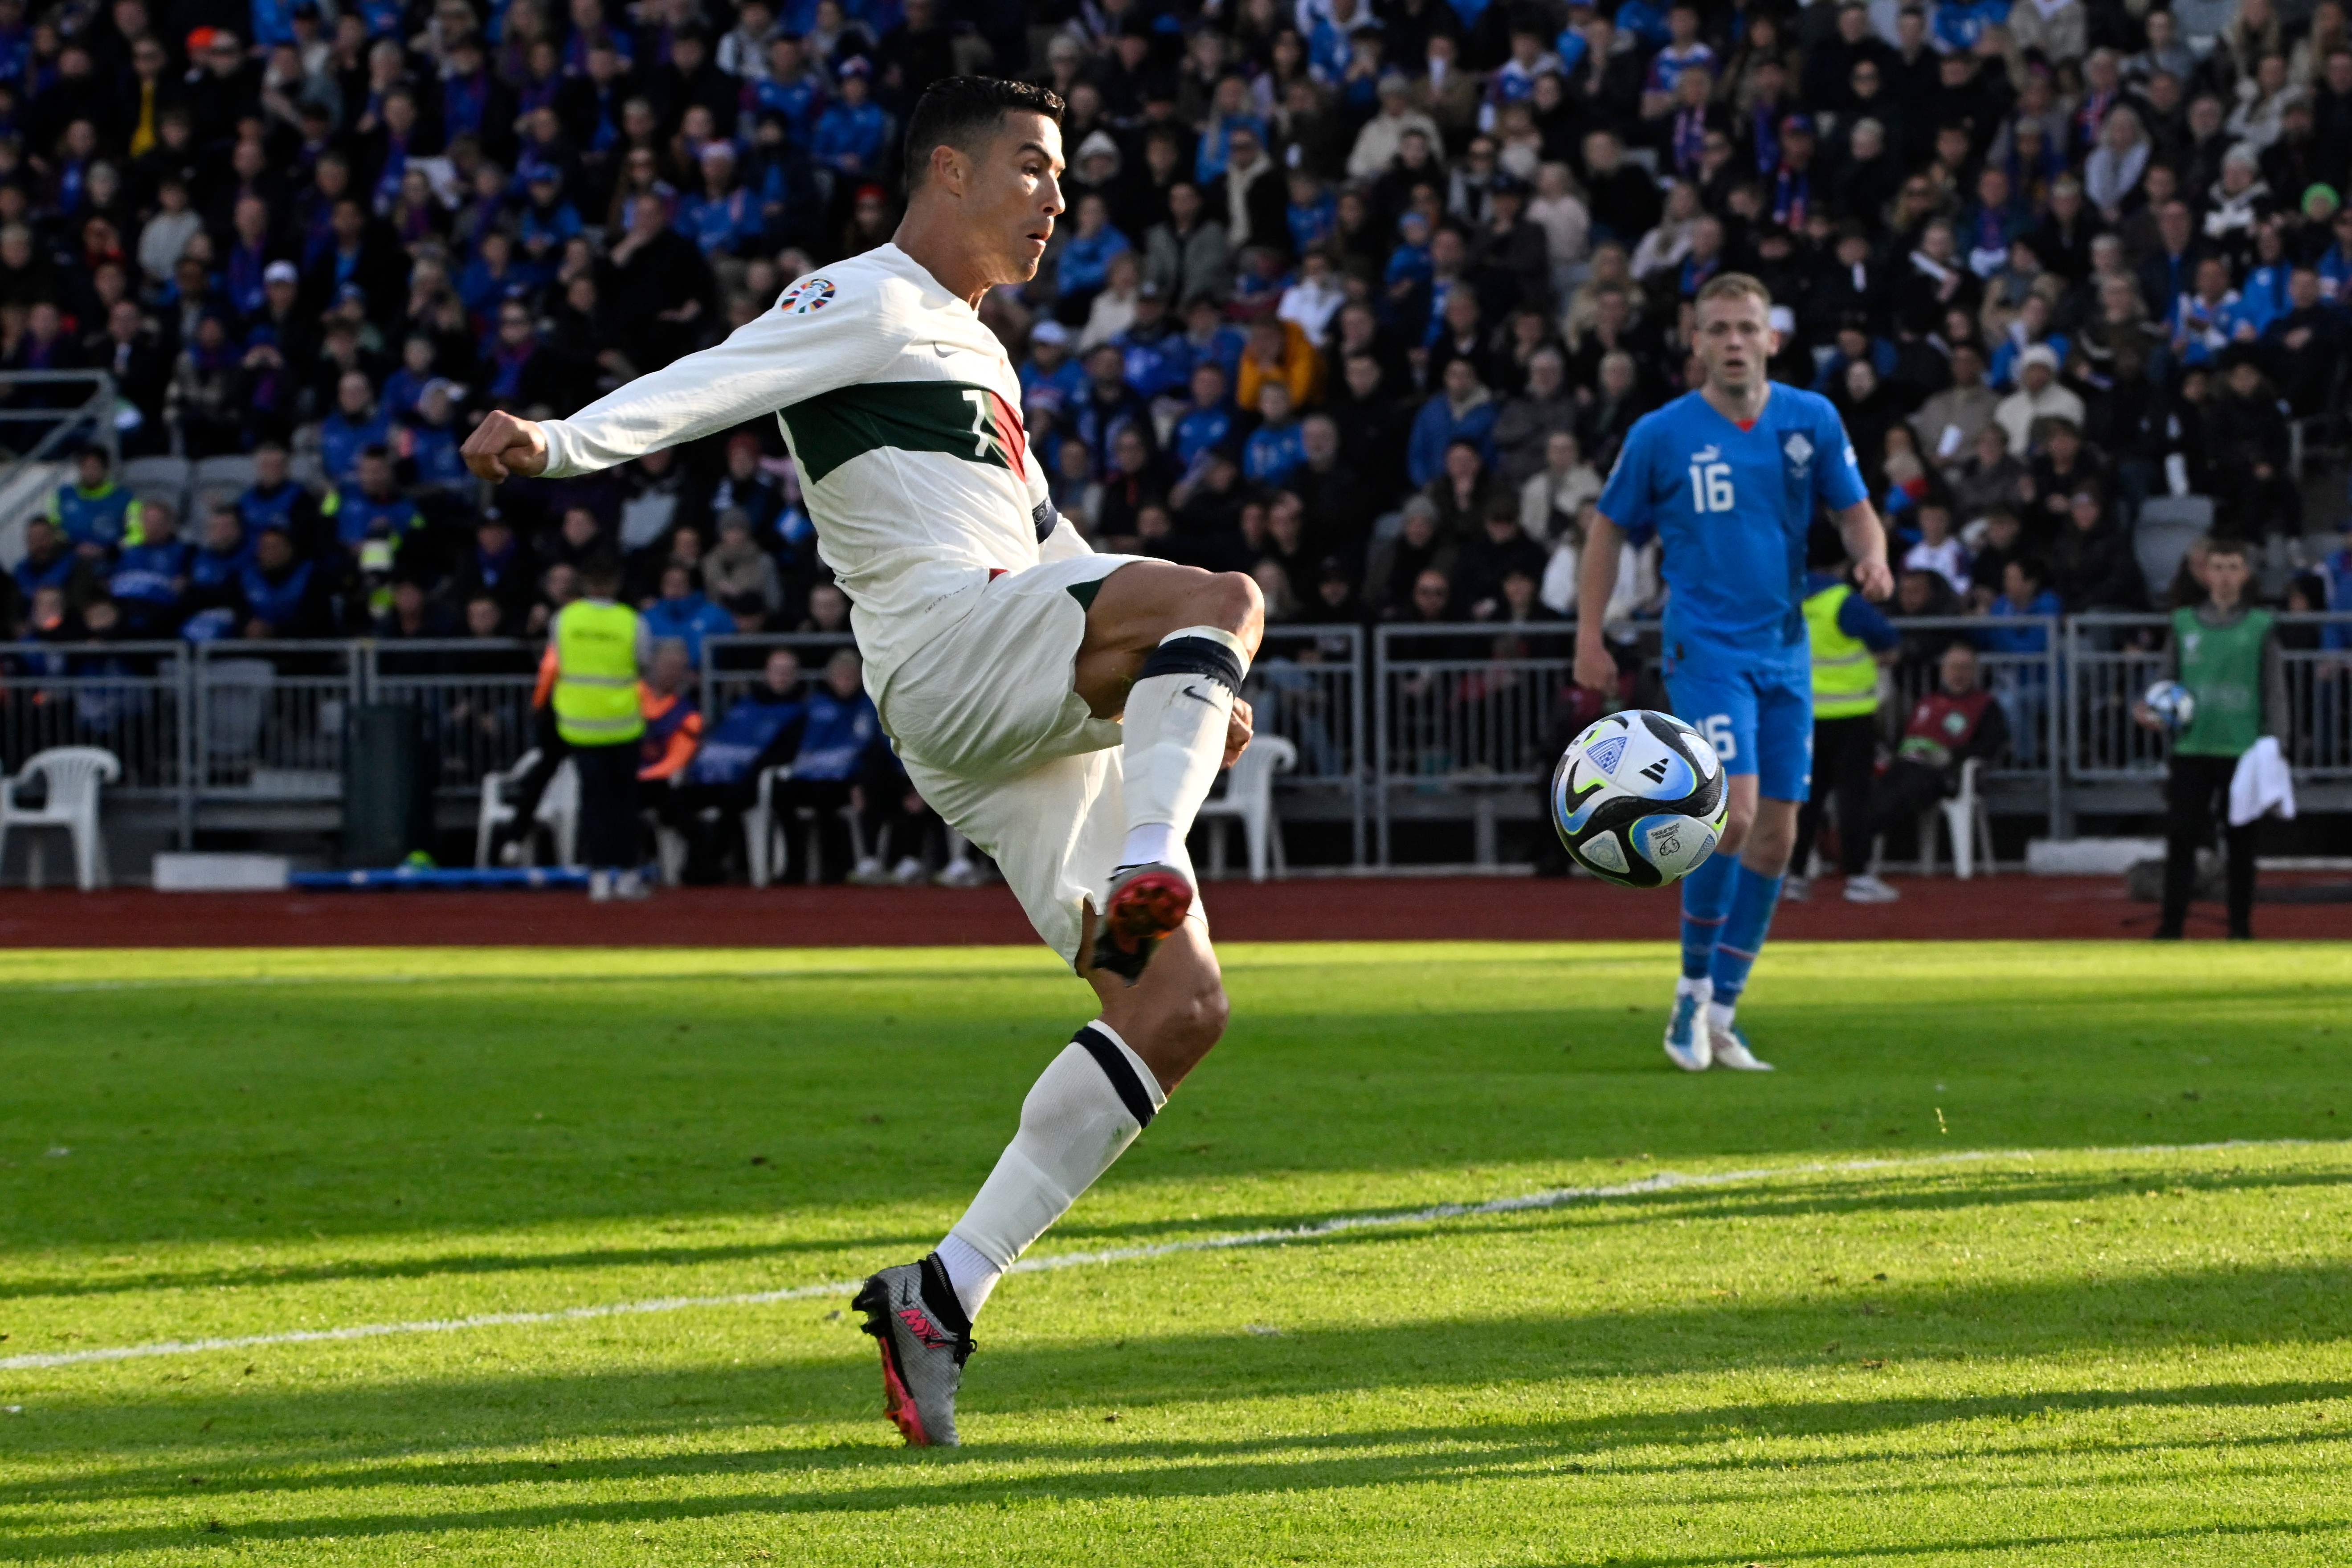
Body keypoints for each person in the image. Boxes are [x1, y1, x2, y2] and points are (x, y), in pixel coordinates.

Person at [462, 78, 1263, 1449]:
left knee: (1178, 1011)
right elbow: (711, 380)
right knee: (1227, 592)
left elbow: (1051, 543)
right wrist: (560, 443)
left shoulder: (973, 350)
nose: (1055, 202)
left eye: (1061, 176)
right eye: (1030, 169)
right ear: (942, 171)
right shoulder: (867, 296)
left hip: (998, 700)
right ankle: (1154, 861)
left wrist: (1183, 678)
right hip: (951, 650)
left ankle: (939, 1295)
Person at [1575, 272, 1891, 1074]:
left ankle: (1722, 1010)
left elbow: (1854, 511)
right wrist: (1591, 633)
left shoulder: (1810, 419)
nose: (1735, 342)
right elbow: (1608, 532)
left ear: (1772, 339)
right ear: (1696, 344)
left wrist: (1875, 558)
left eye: (1747, 328)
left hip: (1786, 649)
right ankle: (1687, 989)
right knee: (1735, 814)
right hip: (1705, 646)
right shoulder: (1661, 433)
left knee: (1781, 834)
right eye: (1718, 329)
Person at [2137, 537, 2289, 940]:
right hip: (2192, 747)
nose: (2224, 576)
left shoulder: (2260, 626)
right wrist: (2154, 710)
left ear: (2246, 574)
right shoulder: (2184, 622)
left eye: (2232, 567)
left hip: (2243, 750)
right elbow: (2167, 681)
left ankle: (2240, 927)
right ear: (2206, 574)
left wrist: (2277, 743)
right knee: (2181, 838)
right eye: (2217, 567)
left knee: (2242, 844)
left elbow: (2274, 689)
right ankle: (2172, 926)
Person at [1787, 549, 1901, 905]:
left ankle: (1793, 877)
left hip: (1803, 716)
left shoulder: (1784, 600)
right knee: (1854, 800)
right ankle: (1857, 877)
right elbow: (1888, 642)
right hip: (1851, 715)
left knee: (1805, 801)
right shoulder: (1842, 601)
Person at [541, 553, 652, 901]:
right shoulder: (632, 622)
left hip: (579, 727)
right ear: (616, 585)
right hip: (623, 726)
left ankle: (599, 877)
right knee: (625, 804)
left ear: (585, 584)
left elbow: (555, 658)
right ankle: (629, 875)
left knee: (594, 804)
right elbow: (644, 663)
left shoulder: (564, 619)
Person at [1866, 641, 2010, 858]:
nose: (1958, 674)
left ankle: (1858, 833)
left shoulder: (1986, 706)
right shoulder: (1927, 702)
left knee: (1907, 785)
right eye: (1953, 667)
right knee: (1872, 781)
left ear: (1975, 672)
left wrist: (1952, 756)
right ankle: (1856, 834)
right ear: (1943, 671)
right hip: (1906, 764)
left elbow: (1992, 745)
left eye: (1965, 668)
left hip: (1946, 774)